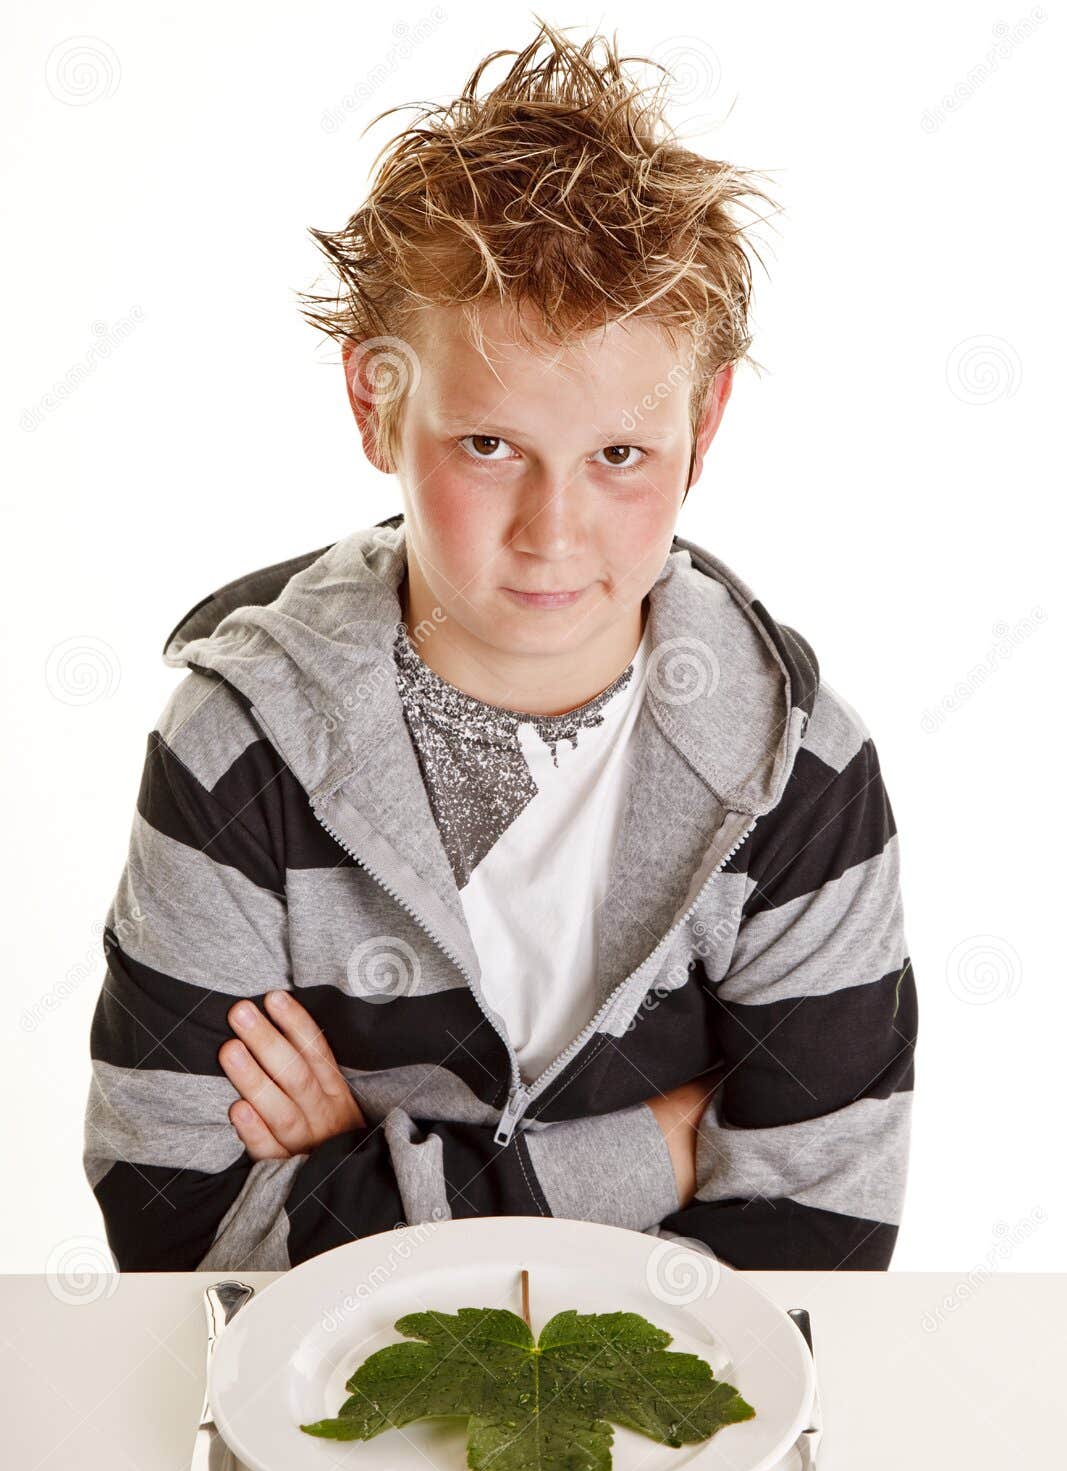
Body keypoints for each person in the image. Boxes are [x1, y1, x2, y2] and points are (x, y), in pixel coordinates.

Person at [83, 18, 917, 1272]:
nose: (552, 532)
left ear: (706, 423)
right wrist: (662, 1147)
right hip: (334, 1437)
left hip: (671, 1449)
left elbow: (813, 1245)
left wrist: (362, 1150)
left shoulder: (797, 778)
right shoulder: (232, 752)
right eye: (488, 446)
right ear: (376, 401)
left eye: (619, 457)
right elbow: (176, 1228)